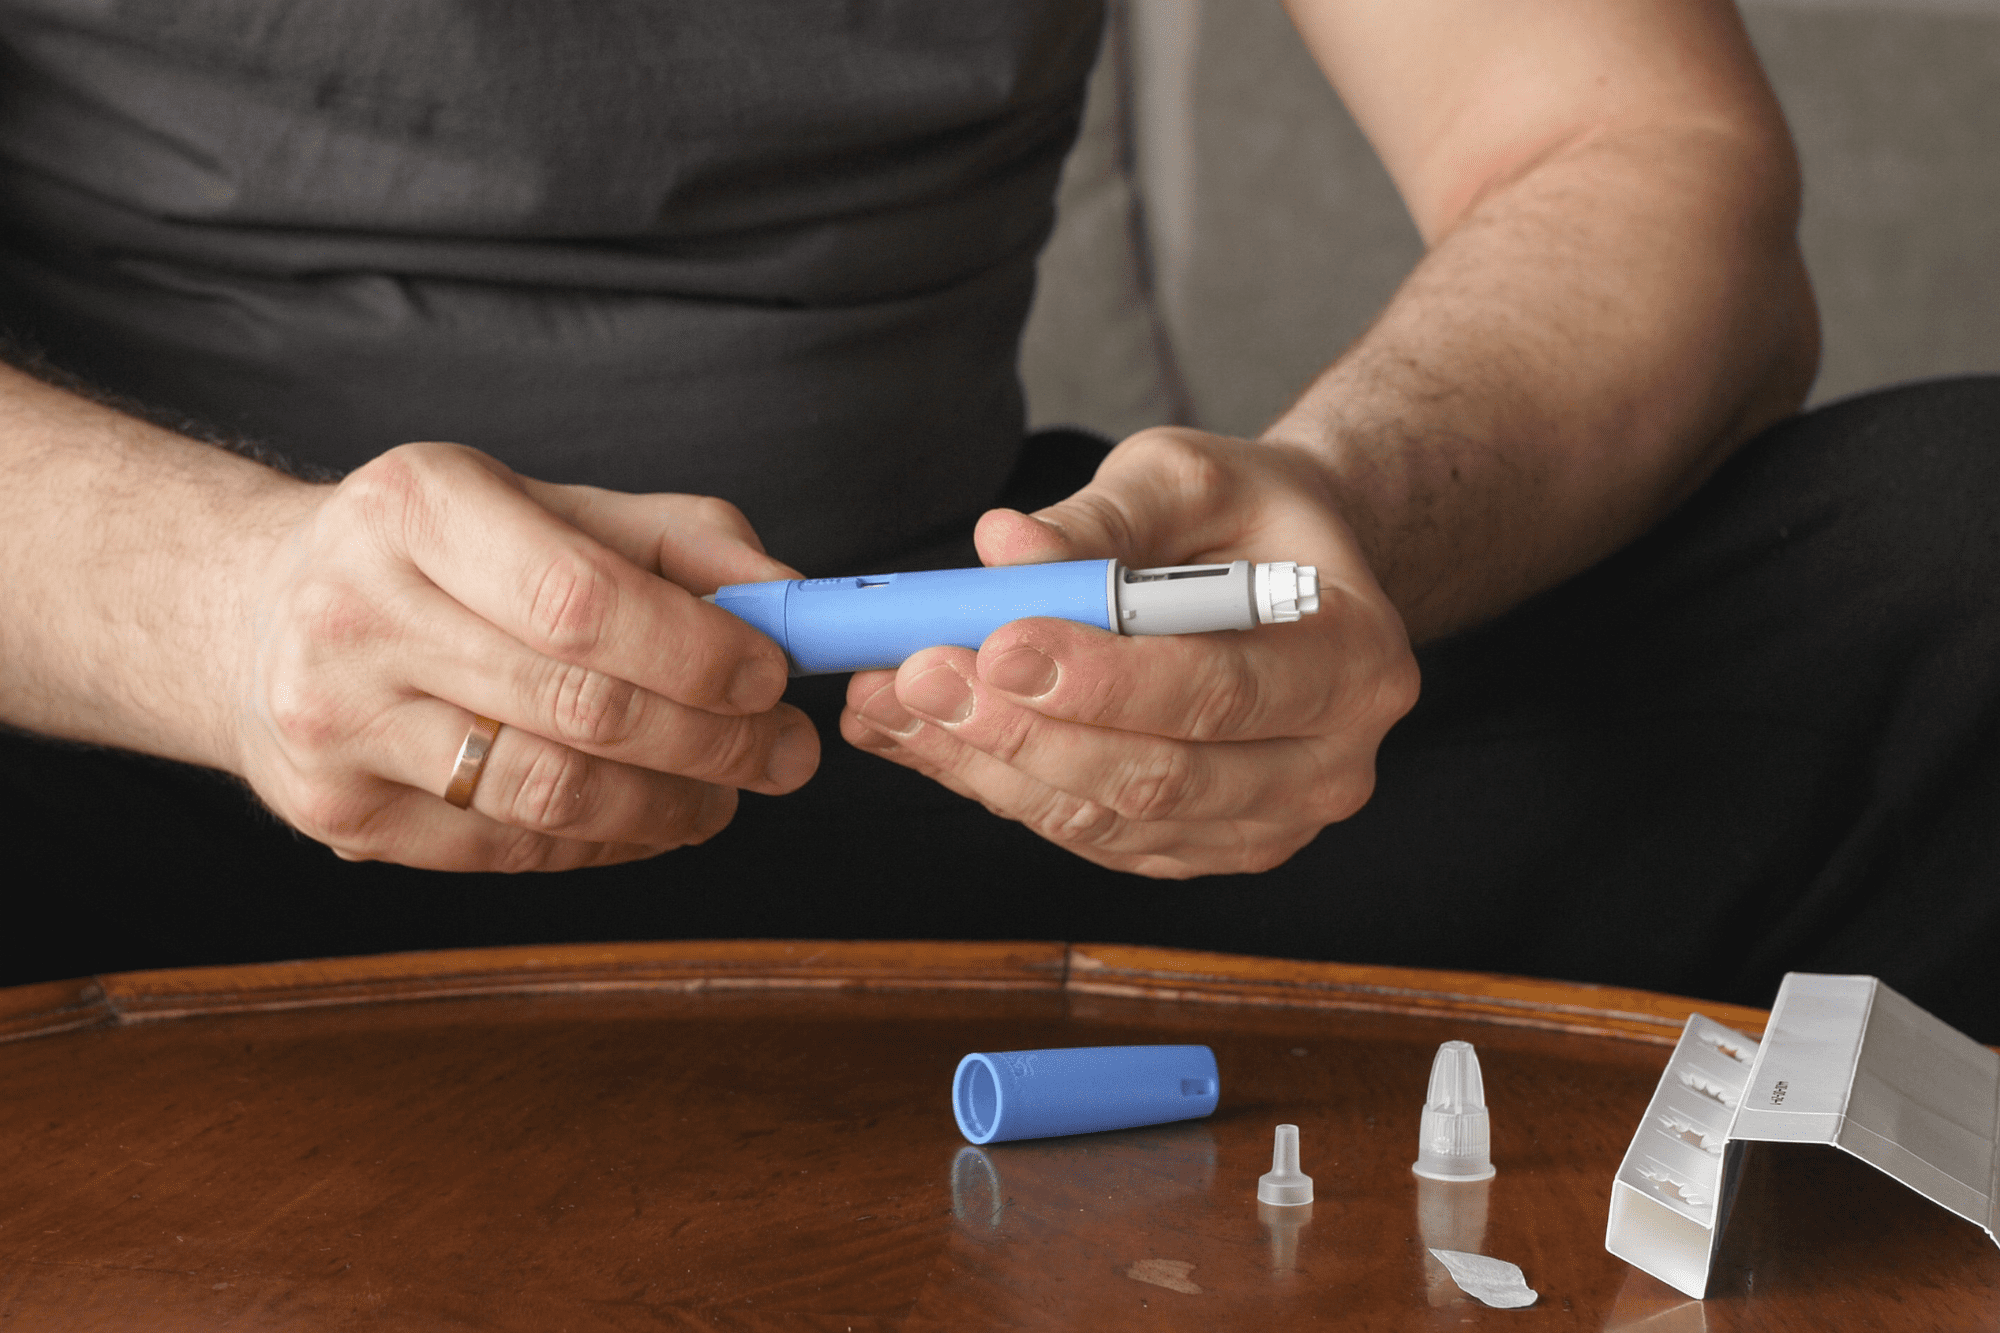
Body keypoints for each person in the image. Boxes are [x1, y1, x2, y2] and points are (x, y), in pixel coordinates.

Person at [2, 2, 1992, 1035]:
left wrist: (1336, 510)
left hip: (984, 745)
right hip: (150, 767)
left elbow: (1639, 155)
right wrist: (228, 611)